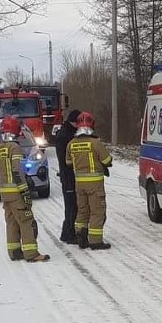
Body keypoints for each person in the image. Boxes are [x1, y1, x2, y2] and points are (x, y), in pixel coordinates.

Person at [0, 116, 50, 263]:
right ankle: (31, 253)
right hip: (15, 191)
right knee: (26, 221)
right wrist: (24, 190)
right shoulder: (15, 147)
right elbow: (17, 171)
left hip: (4, 192)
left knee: (12, 222)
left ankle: (14, 251)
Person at [66, 111, 112, 250]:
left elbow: (68, 162)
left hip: (79, 184)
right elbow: (107, 160)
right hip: (95, 185)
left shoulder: (71, 144)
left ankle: (81, 235)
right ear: (92, 125)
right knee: (97, 211)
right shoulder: (95, 143)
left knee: (82, 211)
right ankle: (95, 241)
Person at [53, 107, 81, 243]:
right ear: (74, 122)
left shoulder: (67, 133)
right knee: (71, 205)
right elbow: (66, 160)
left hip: (69, 175)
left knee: (73, 205)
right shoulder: (65, 136)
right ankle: (70, 234)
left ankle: (67, 233)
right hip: (69, 175)